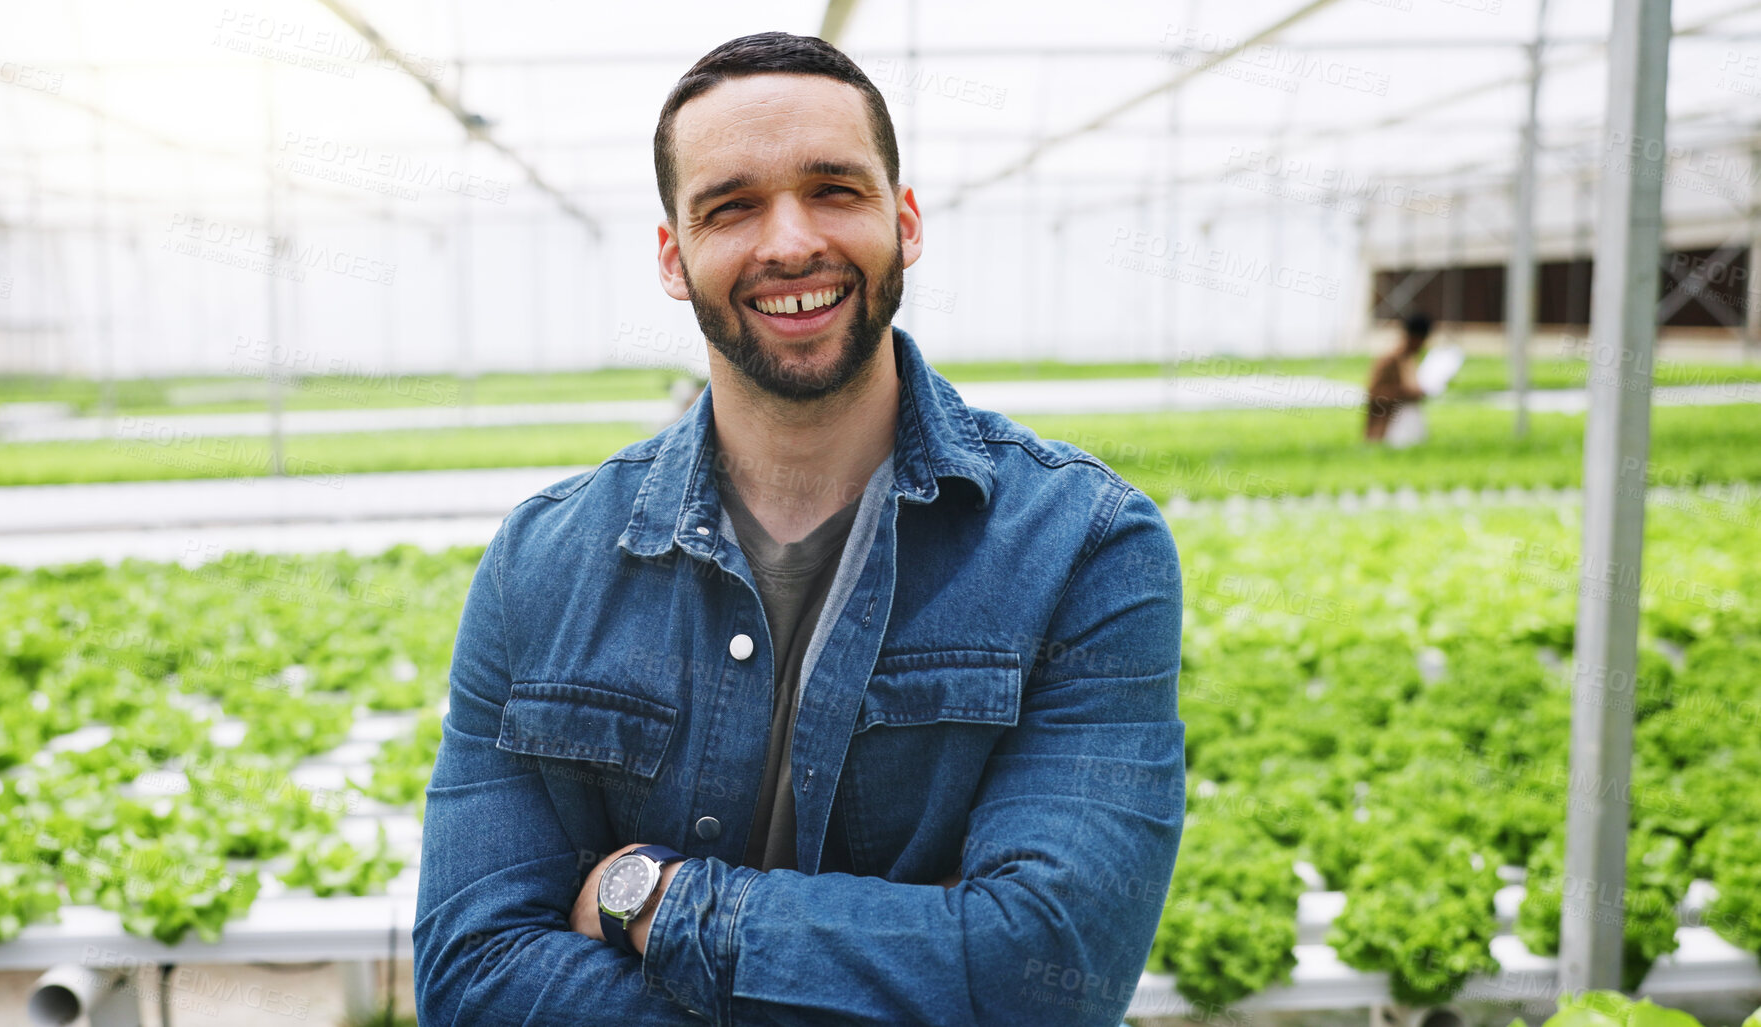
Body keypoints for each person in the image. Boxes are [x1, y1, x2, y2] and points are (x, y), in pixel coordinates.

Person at [414, 32, 1184, 1026]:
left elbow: (1043, 974)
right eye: (731, 206)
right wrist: (908, 959)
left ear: (903, 222)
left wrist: (651, 898)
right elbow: (471, 982)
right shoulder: (542, 565)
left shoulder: (1084, 547)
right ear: (672, 255)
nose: (789, 242)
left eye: (834, 189)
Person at [1364, 311, 1432, 443]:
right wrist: (1403, 392)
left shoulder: (1410, 357)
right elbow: (1373, 393)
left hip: (1405, 419)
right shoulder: (1390, 359)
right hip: (1385, 425)